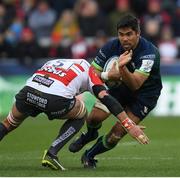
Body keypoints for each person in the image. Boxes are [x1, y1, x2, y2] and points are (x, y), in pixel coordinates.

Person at [0, 58, 148, 170]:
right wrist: (128, 124)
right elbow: (107, 99)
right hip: (54, 99)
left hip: (27, 92)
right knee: (81, 112)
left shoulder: (58, 61)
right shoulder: (90, 71)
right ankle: (52, 153)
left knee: (8, 123)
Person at [69, 13, 162, 168]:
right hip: (119, 89)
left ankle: (89, 155)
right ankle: (91, 134)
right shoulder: (111, 46)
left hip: (145, 96)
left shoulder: (149, 53)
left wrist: (121, 67)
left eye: (129, 34)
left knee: (116, 134)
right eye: (121, 34)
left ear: (138, 33)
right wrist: (108, 74)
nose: (124, 39)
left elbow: (135, 85)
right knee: (93, 119)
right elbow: (91, 73)